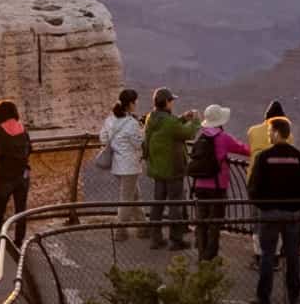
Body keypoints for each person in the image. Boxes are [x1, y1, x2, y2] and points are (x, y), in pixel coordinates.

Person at [246, 117, 300, 304]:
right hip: (292, 215)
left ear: (276, 133)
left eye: (269, 132)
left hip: (269, 214)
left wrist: (262, 205)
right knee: (292, 256)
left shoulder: (264, 157)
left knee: (268, 255)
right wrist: (299, 208)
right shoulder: (299, 157)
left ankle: (263, 297)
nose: (268, 135)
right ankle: (294, 296)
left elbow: (253, 187)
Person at [187, 104, 250, 262]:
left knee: (201, 223)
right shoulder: (223, 138)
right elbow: (243, 149)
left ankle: (202, 256)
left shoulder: (201, 137)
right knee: (214, 224)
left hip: (200, 186)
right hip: (217, 188)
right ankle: (211, 258)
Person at [142, 87, 200, 251]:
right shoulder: (168, 122)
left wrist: (182, 118)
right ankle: (176, 240)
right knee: (176, 204)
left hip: (158, 169)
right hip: (173, 169)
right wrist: (195, 121)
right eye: (171, 100)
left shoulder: (151, 118)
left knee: (158, 204)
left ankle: (156, 238)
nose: (172, 103)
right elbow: (188, 133)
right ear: (166, 102)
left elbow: (170, 127)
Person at [96, 89, 145, 238]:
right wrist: (143, 130)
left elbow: (103, 138)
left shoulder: (110, 120)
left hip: (117, 165)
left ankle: (144, 227)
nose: (136, 104)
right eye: (135, 101)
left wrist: (117, 145)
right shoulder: (131, 123)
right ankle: (120, 231)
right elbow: (138, 143)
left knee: (134, 196)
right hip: (130, 166)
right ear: (130, 103)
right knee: (126, 200)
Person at [245, 99, 286, 258]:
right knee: (276, 219)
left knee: (256, 219)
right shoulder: (287, 135)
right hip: (278, 183)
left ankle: (258, 253)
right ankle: (275, 254)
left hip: (255, 180)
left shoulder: (252, 131)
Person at [0, 99, 32, 242]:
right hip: (23, 176)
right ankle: (19, 241)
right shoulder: (23, 129)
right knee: (21, 211)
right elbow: (29, 149)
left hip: (5, 177)